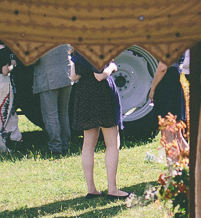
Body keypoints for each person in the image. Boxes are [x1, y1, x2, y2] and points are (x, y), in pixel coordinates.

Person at [70, 50, 129, 199]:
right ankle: (113, 189)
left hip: (84, 93)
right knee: (112, 143)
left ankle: (91, 189)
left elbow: (73, 76)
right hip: (101, 93)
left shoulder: (77, 49)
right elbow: (99, 75)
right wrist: (112, 67)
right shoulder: (97, 47)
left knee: (88, 143)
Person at [32, 43, 74, 155]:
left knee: (50, 115)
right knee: (63, 113)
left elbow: (33, 60)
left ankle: (55, 147)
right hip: (66, 76)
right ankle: (65, 144)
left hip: (48, 77)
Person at [0, 49, 22, 153]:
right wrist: (13, 65)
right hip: (2, 81)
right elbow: (5, 71)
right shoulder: (5, 49)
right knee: (2, 115)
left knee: (0, 113)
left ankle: (15, 137)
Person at [146, 48, 190, 123]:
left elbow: (162, 68)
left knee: (165, 118)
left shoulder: (169, 47)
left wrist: (153, 89)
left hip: (168, 81)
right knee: (177, 118)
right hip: (178, 77)